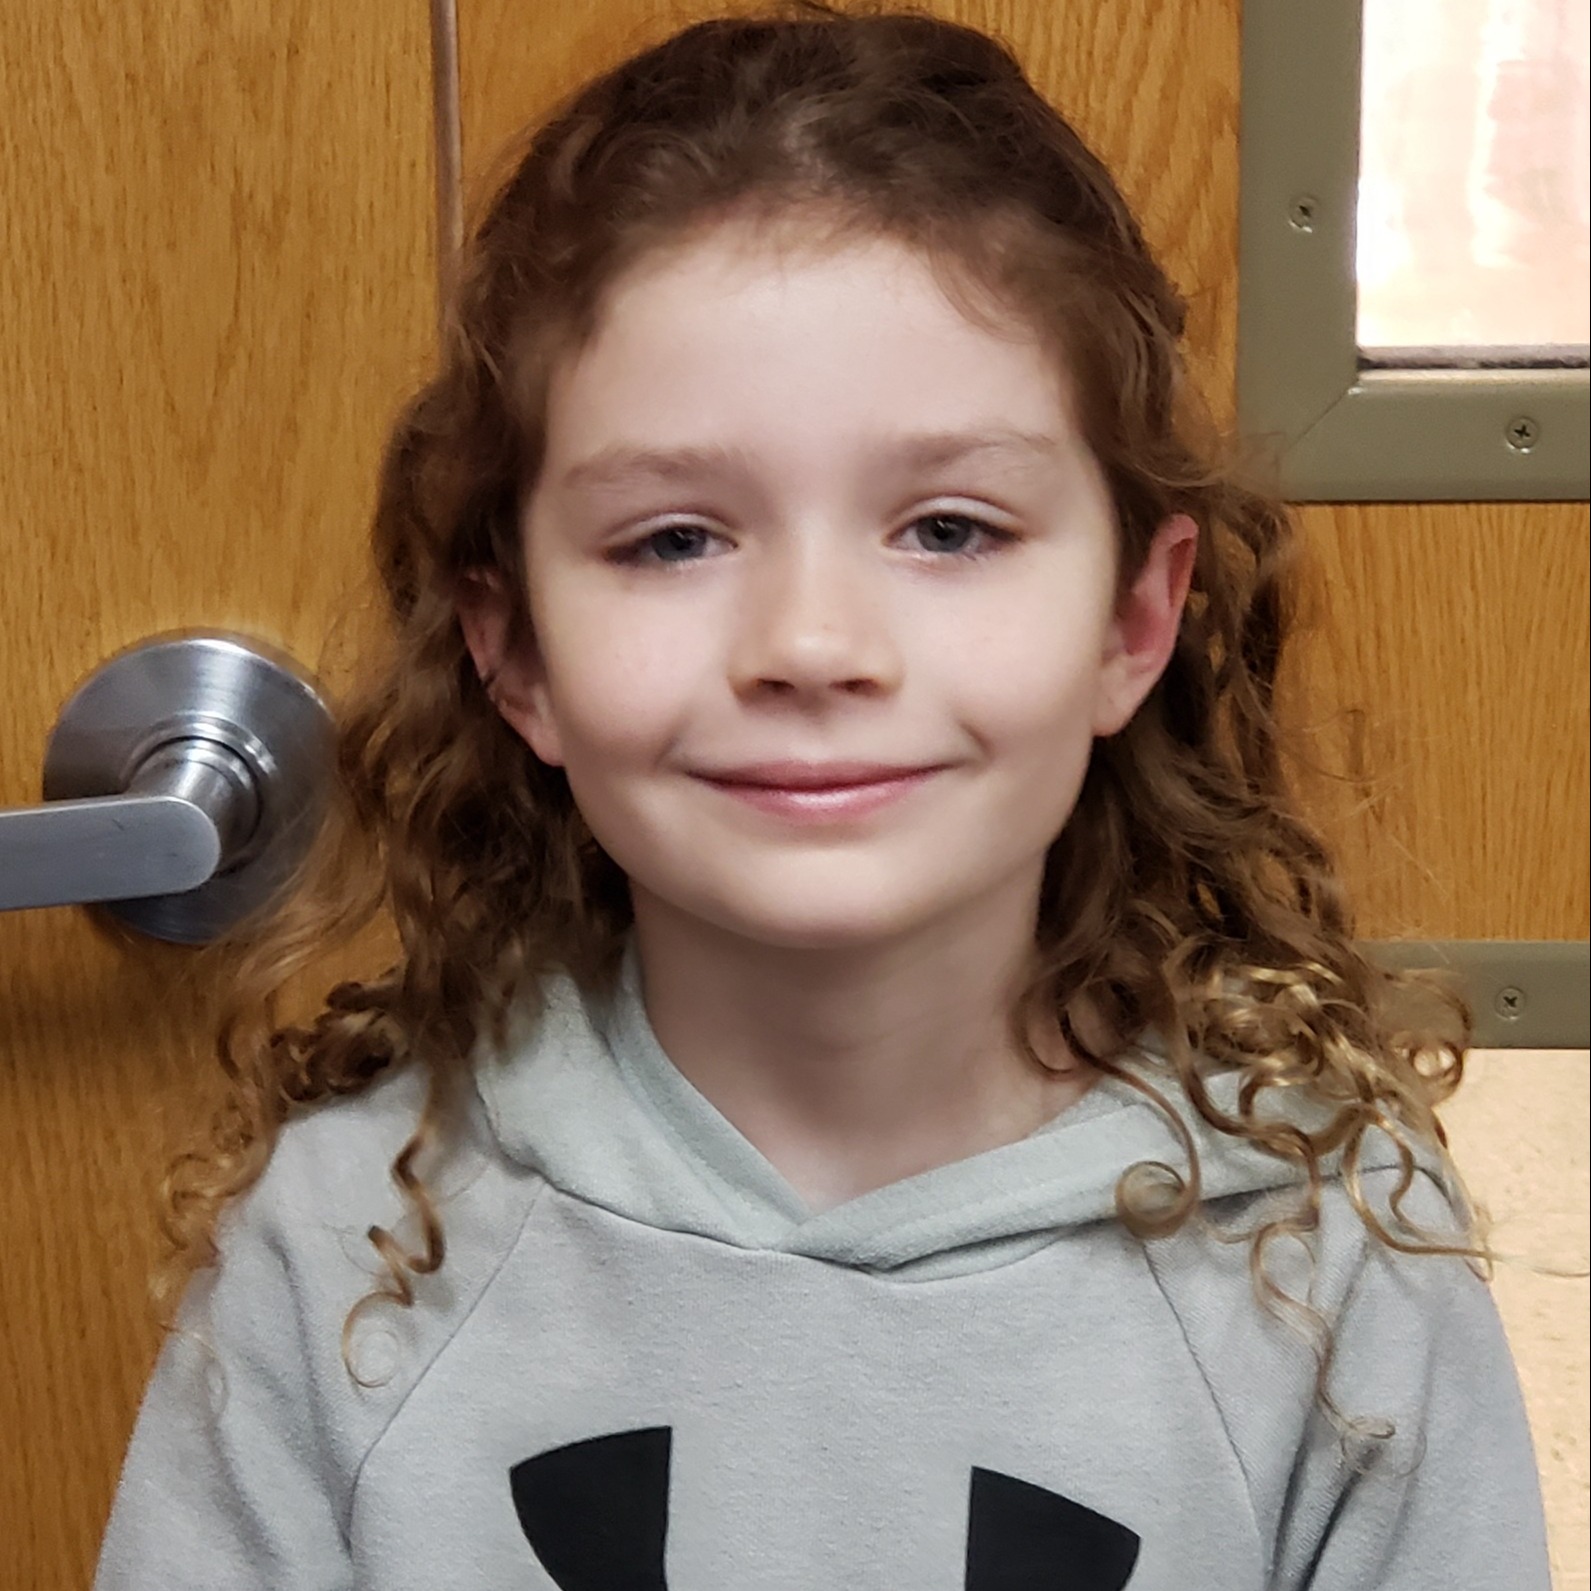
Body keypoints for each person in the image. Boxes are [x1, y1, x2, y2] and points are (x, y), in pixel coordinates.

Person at [94, 6, 1551, 1588]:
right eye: (673, 539)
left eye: (947, 530)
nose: (809, 645)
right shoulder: (348, 1241)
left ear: (1136, 620)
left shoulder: (1333, 1260)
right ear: (512, 648)